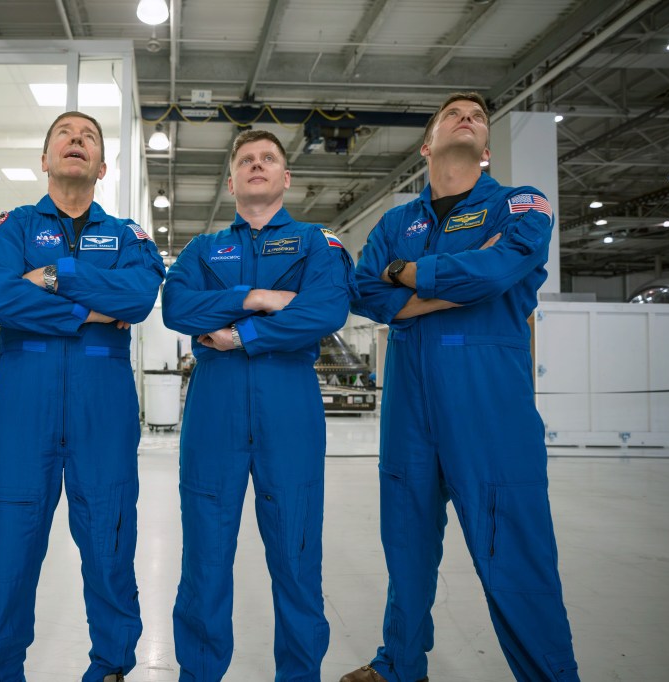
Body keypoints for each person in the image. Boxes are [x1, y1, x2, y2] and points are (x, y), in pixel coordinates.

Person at [340, 93, 579, 682]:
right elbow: (366, 291)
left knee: (516, 553)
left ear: (488, 149)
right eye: (453, 114)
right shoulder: (397, 221)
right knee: (407, 545)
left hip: (488, 401)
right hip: (408, 402)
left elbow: (502, 268)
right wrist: (457, 282)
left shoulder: (521, 205)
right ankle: (399, 663)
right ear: (427, 144)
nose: (467, 117)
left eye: (478, 116)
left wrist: (411, 276)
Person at [0, 111, 165, 682]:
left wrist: (53, 275)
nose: (76, 141)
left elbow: (136, 299)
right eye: (65, 134)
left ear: (102, 166)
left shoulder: (129, 235)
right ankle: (0, 672)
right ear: (45, 159)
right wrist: (88, 311)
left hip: (102, 411)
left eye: (88, 137)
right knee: (8, 556)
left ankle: (111, 667)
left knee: (110, 547)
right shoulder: (12, 228)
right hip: (21, 412)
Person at [162, 129, 355, 681]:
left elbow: (326, 310)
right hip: (214, 410)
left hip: (287, 403)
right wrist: (257, 299)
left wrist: (239, 334)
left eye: (268, 158)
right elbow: (176, 306)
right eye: (245, 159)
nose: (256, 164)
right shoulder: (201, 250)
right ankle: (199, 673)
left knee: (296, 557)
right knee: (205, 556)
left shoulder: (317, 243)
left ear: (285, 177)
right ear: (230, 180)